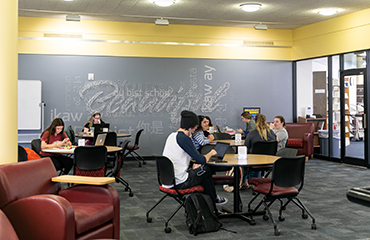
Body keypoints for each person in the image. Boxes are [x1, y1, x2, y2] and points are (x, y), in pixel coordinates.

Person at [162, 110, 227, 206]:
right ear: (189, 128)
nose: (194, 130)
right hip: (179, 182)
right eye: (194, 128)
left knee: (200, 172)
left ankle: (210, 203)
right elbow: (201, 160)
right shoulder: (184, 138)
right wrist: (212, 153)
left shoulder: (171, 136)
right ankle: (213, 201)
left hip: (167, 180)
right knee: (206, 170)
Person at [243, 114, 276, 187]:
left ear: (255, 122)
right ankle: (258, 179)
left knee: (243, 159)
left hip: (254, 162)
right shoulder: (272, 133)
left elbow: (246, 147)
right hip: (269, 161)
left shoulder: (252, 134)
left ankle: (245, 182)